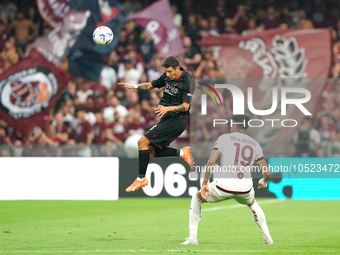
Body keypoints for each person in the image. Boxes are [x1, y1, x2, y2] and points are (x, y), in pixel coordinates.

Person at [181, 115, 274, 245]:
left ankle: (192, 237)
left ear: (235, 125)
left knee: (197, 198)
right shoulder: (255, 144)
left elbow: (211, 162)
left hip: (223, 187)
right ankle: (267, 237)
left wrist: (205, 183)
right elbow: (267, 172)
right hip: (245, 189)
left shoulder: (223, 139)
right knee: (252, 203)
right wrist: (264, 181)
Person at [118, 56, 195, 193]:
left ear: (177, 68)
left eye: (170, 72)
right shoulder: (167, 76)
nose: (168, 75)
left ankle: (141, 179)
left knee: (142, 142)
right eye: (166, 72)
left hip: (177, 120)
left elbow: (185, 106)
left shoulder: (187, 81)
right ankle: (182, 152)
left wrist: (167, 108)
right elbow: (150, 85)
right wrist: (134, 87)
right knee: (149, 152)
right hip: (167, 118)